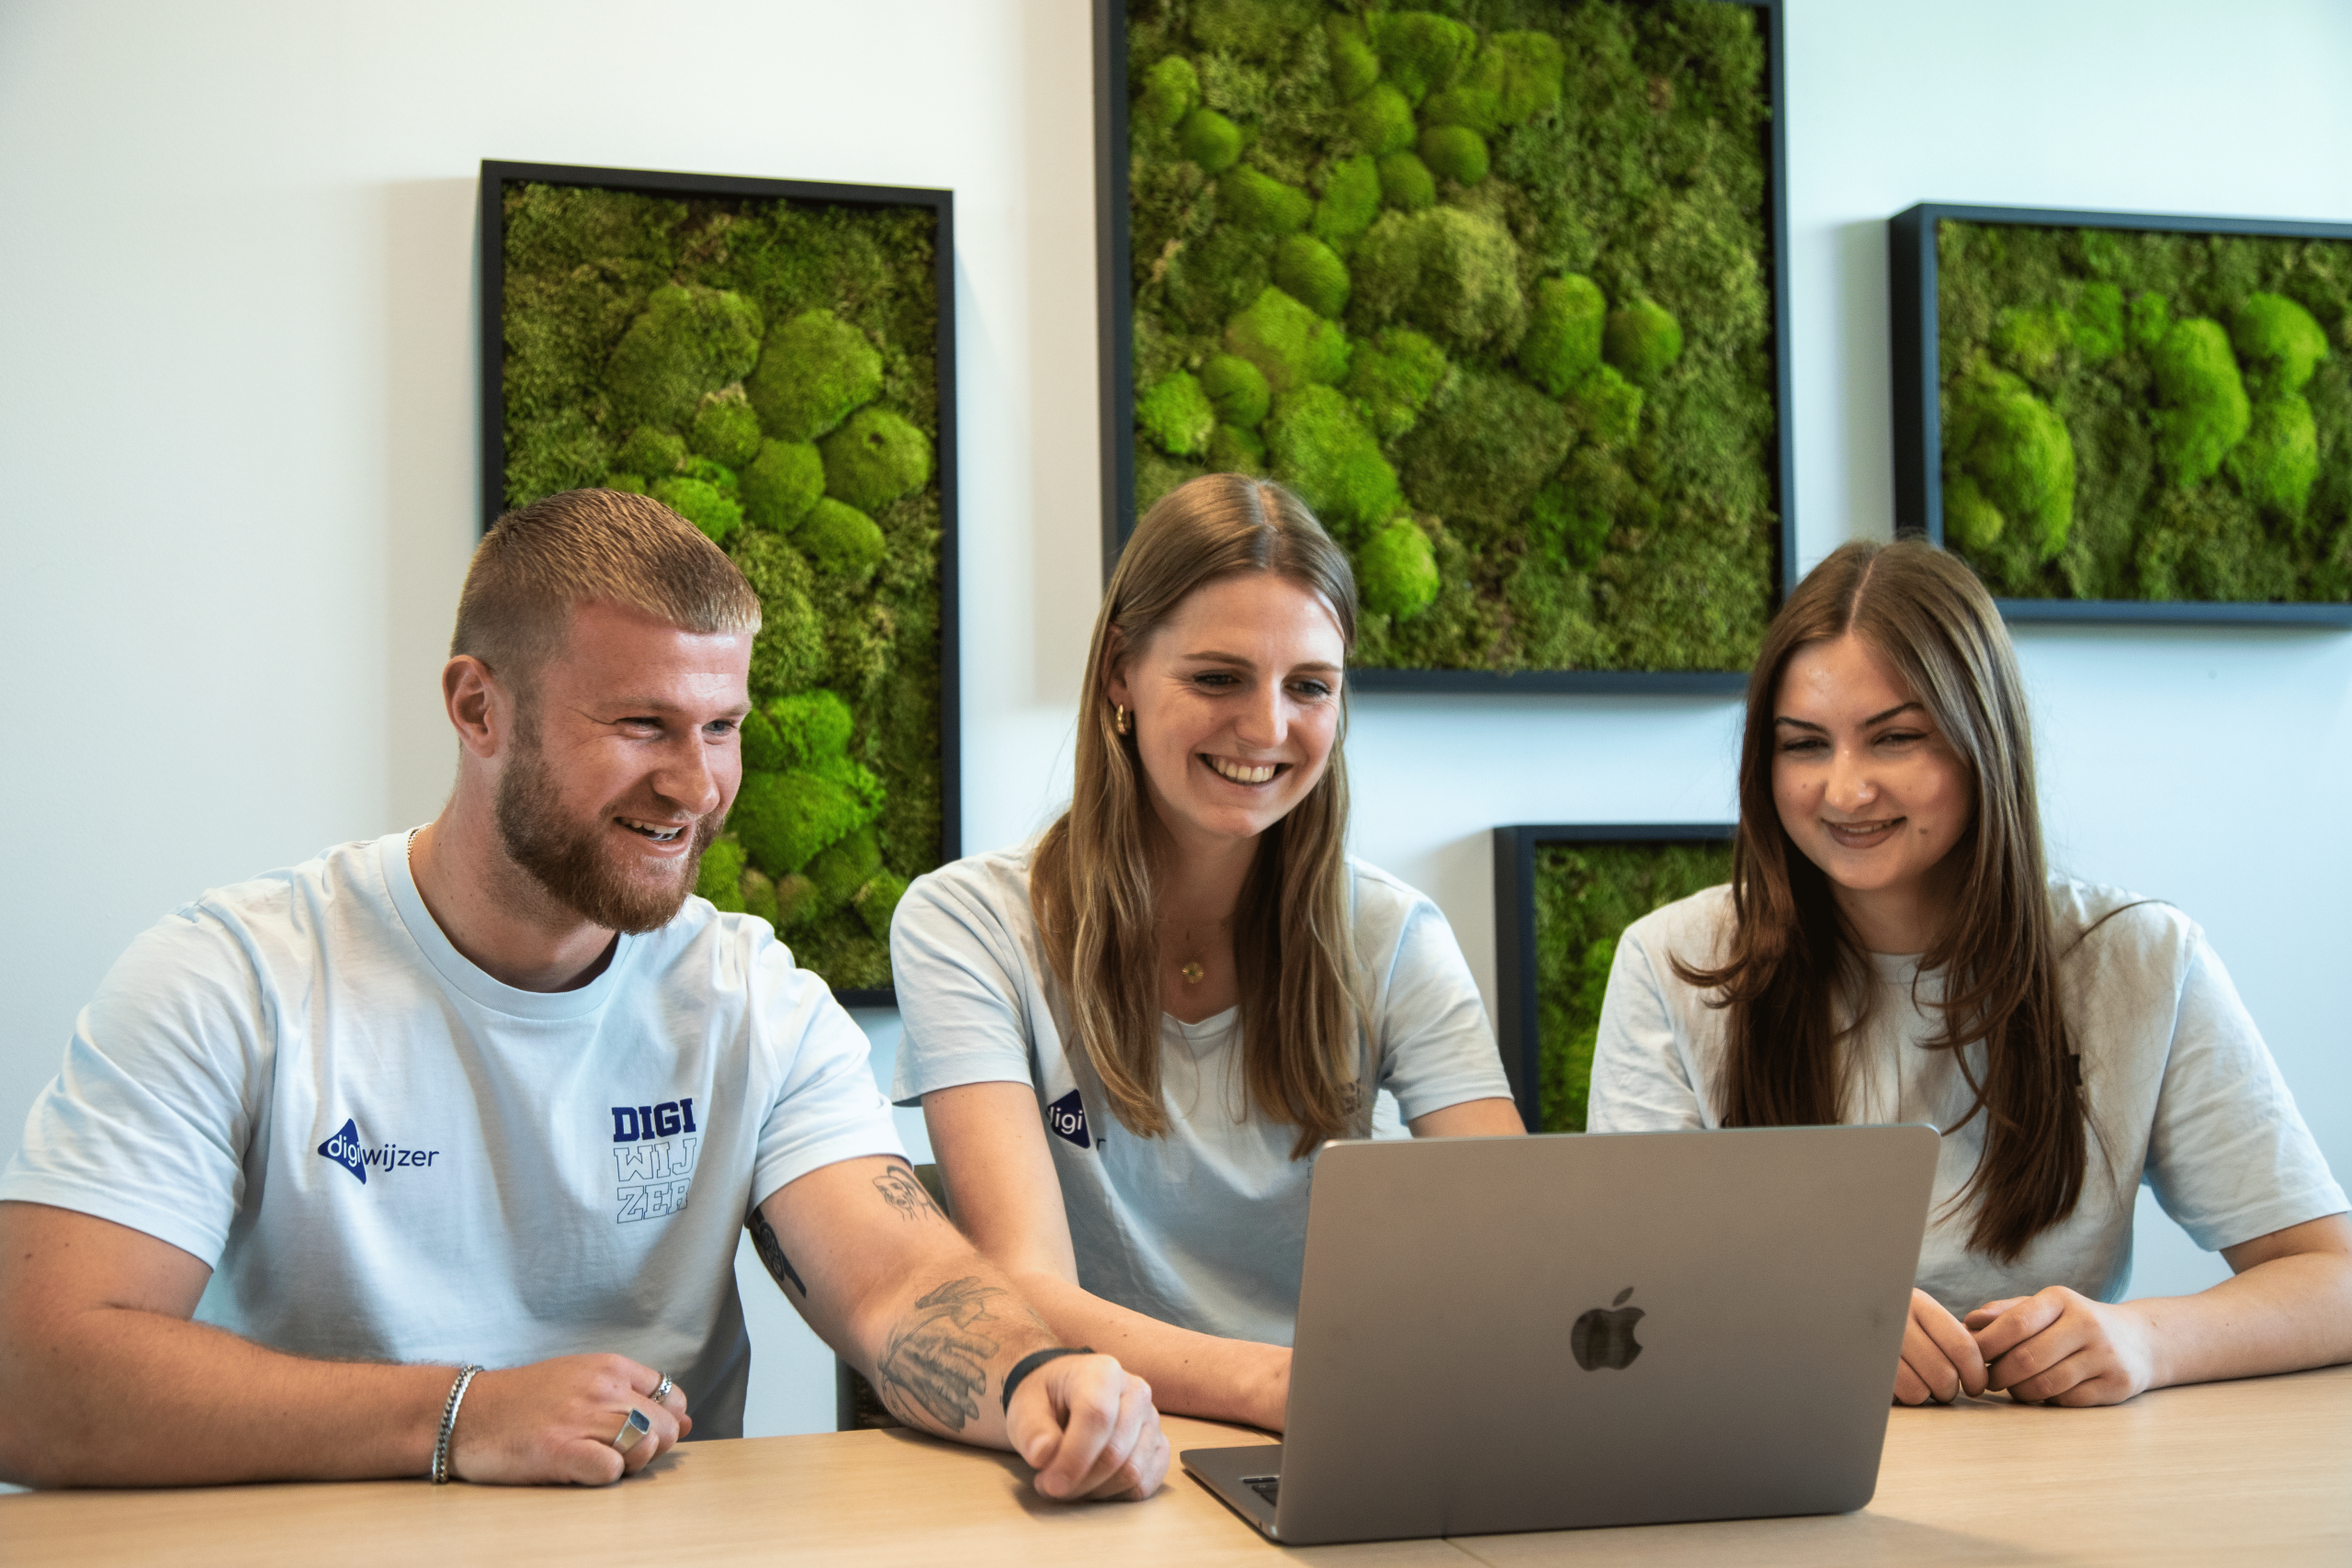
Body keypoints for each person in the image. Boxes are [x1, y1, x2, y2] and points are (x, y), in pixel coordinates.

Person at [0, 490, 1167, 1496]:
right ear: (477, 708)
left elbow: (900, 1282)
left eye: (721, 727)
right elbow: (33, 1372)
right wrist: (459, 1420)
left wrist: (1030, 1379)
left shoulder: (753, 996)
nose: (697, 786)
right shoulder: (233, 977)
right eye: (641, 725)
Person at [1589, 538, 2352, 1408]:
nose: (1845, 790)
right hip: (1772, 1460)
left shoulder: (2142, 960)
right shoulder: (1670, 960)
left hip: (2056, 1478)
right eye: (1804, 745)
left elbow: (2331, 1280)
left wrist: (2146, 1339)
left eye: (1896, 738)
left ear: (1982, 739)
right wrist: (1811, 1321)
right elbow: (1622, 1303)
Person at [888, 474, 1523, 1434]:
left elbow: (1518, 1240)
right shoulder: (966, 924)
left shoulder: (1393, 934)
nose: (1267, 728)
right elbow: (1022, 1290)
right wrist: (1280, 1387)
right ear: (1118, 677)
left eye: (1309, 686)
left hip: (1341, 1438)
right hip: (1101, 1438)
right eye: (1218, 678)